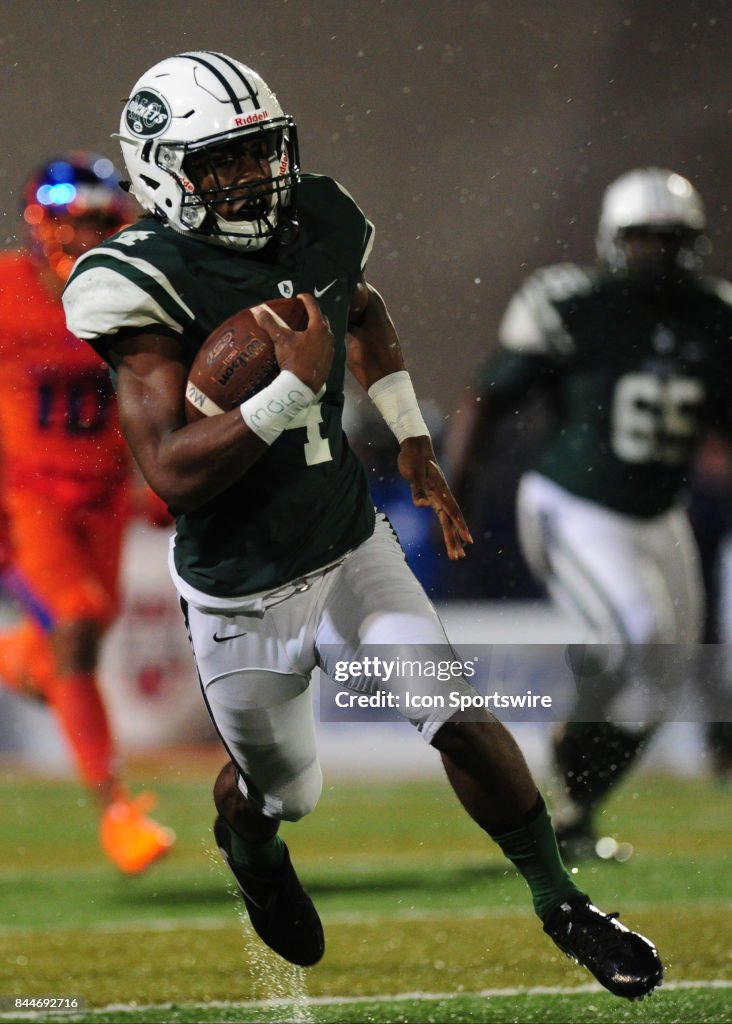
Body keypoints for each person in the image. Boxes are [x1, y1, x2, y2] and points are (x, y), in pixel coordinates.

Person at [62, 52, 662, 998]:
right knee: (281, 791)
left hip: (348, 543)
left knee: (456, 717)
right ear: (160, 169)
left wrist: (412, 436)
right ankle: (251, 846)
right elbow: (172, 470)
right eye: (223, 165)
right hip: (242, 587)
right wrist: (293, 388)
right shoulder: (137, 281)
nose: (254, 180)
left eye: (261, 154)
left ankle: (563, 901)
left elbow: (361, 308)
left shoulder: (319, 218)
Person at [447, 167, 732, 860]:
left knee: (662, 678)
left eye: (671, 240)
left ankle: (573, 809)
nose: (657, 253)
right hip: (575, 503)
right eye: (642, 239)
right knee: (636, 632)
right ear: (612, 241)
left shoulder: (716, 314)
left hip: (659, 513)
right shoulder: (573, 303)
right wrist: (451, 489)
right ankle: (566, 748)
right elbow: (486, 397)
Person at [0, 151, 176, 874]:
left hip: (104, 501)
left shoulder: (134, 294)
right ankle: (116, 810)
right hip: (29, 495)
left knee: (82, 637)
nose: (88, 237)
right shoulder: (9, 293)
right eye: (77, 223)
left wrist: (162, 473)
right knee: (74, 622)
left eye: (102, 221)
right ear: (41, 225)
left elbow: (158, 387)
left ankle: (14, 660)